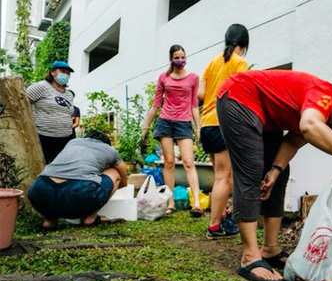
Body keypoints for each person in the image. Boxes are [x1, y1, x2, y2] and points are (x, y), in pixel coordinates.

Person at [217, 69, 332, 281]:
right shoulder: (327, 94)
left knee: (279, 173)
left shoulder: (329, 120)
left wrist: (276, 170)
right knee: (251, 170)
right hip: (239, 95)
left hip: (266, 115)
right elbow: (307, 126)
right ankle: (250, 257)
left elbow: (293, 141)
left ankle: (270, 248)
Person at [197, 24, 249, 239]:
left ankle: (222, 217)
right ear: (244, 44)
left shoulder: (212, 62)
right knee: (223, 178)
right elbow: (242, 95)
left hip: (207, 125)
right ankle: (214, 226)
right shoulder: (239, 63)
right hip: (223, 124)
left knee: (220, 177)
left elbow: (200, 94)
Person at [142, 44, 203, 216]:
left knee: (188, 162)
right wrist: (145, 127)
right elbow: (156, 104)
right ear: (171, 59)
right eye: (176, 57)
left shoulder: (193, 78)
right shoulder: (164, 77)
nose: (180, 60)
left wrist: (198, 129)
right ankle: (171, 202)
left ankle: (196, 202)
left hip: (184, 123)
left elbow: (194, 105)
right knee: (168, 163)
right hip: (166, 122)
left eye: (182, 57)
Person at [28, 130, 128, 231]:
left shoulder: (72, 143)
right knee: (114, 172)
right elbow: (122, 170)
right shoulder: (109, 150)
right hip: (79, 193)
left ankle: (50, 221)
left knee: (56, 179)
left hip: (39, 191)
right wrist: (119, 186)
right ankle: (91, 218)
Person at [26, 61, 76, 164]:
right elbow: (22, 103)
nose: (65, 75)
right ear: (52, 72)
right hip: (44, 138)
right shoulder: (41, 87)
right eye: (62, 71)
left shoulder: (68, 94)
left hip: (65, 138)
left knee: (60, 169)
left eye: (68, 73)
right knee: (40, 166)